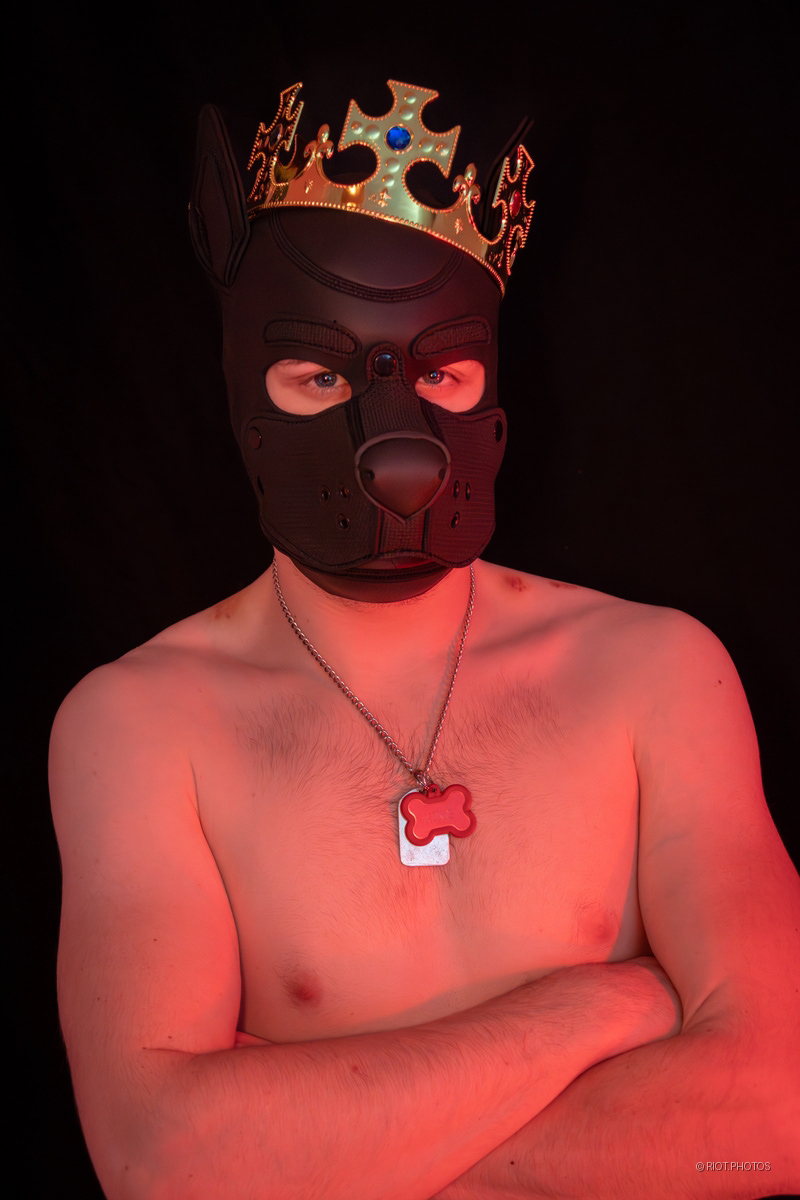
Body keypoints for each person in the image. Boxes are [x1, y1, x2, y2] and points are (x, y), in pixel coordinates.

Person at [50, 79, 799, 1200]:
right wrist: (597, 1005)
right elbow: (163, 1166)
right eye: (320, 375)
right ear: (242, 388)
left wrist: (317, 1153)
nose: (398, 451)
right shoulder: (140, 726)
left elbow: (773, 1125)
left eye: (442, 373)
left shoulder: (656, 672)